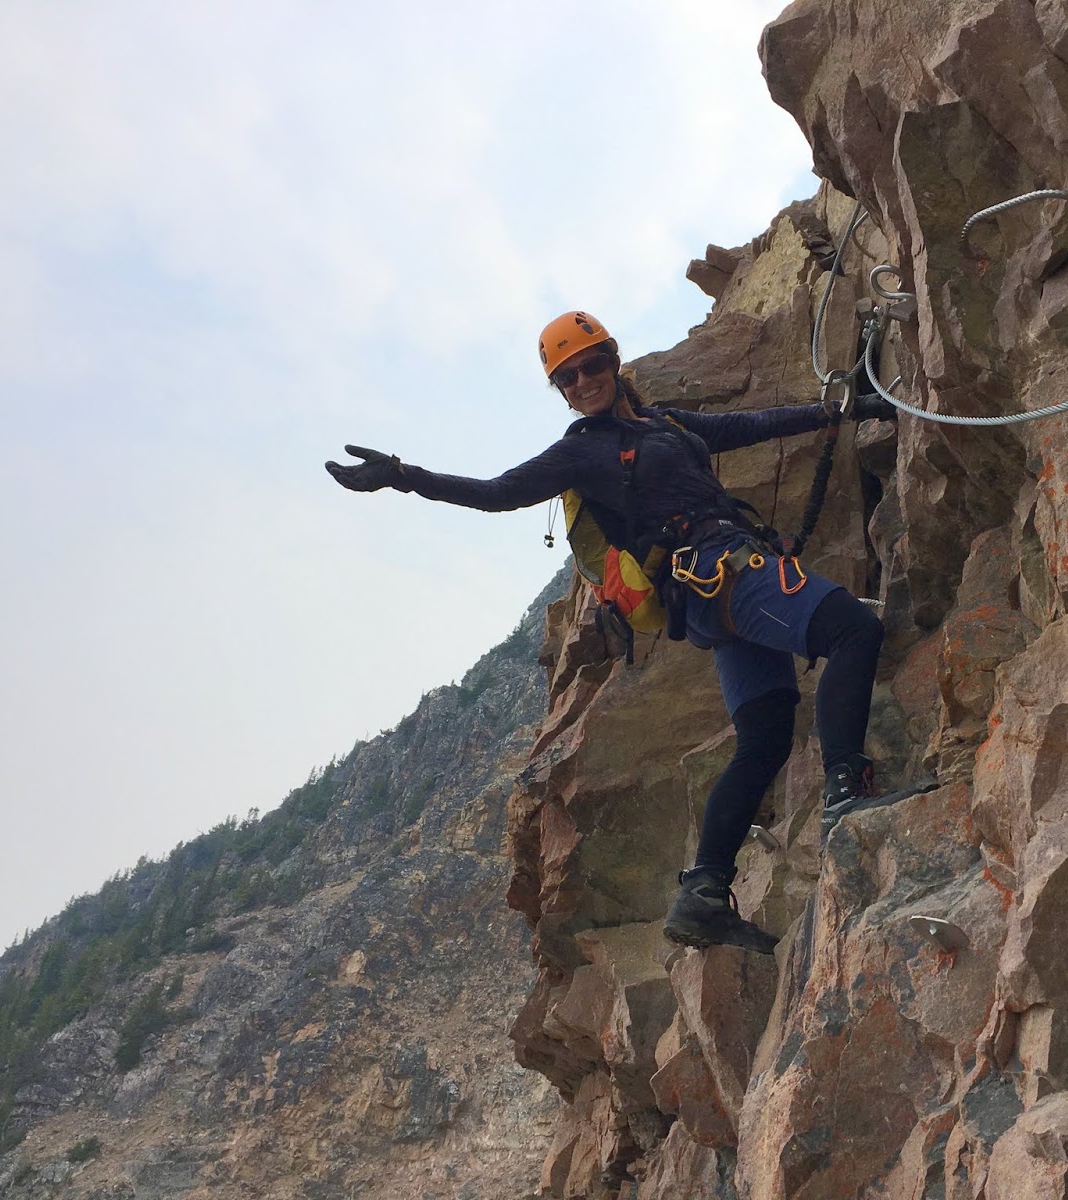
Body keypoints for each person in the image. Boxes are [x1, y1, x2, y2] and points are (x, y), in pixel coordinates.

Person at [326, 311, 895, 954]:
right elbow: (498, 492)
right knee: (853, 631)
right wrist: (403, 476)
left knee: (763, 740)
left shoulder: (666, 423)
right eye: (566, 379)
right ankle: (847, 794)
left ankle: (703, 893)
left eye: (590, 365)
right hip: (717, 571)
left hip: (712, 591)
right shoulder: (581, 450)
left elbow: (749, 425)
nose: (581, 382)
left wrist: (844, 409)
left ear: (614, 359)